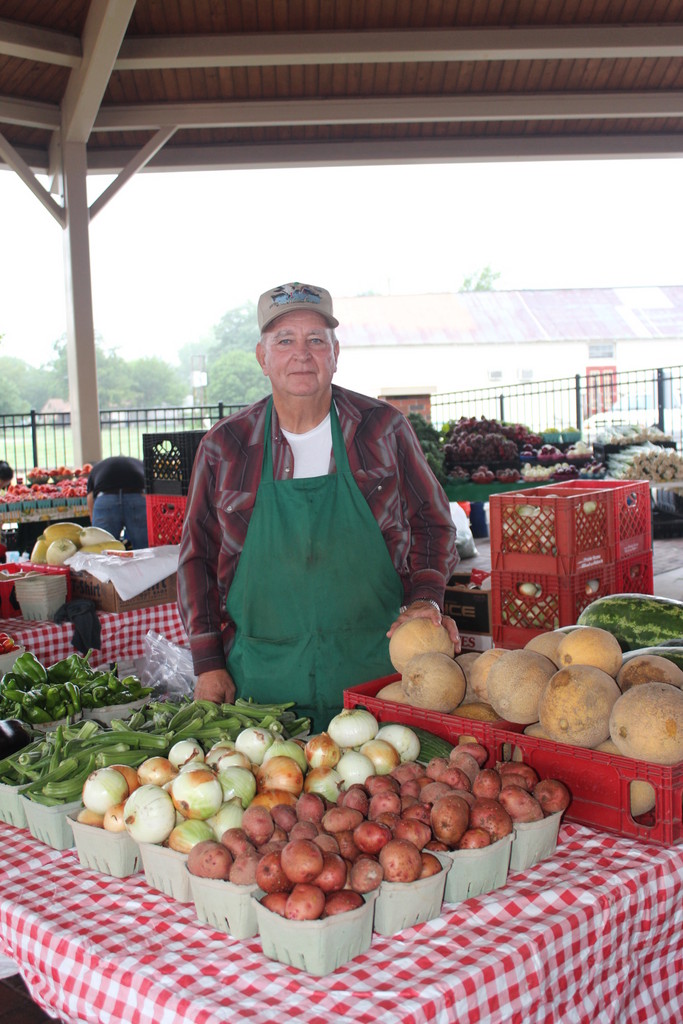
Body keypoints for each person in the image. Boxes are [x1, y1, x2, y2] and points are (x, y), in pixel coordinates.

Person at [177, 281, 460, 731]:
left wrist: (427, 597)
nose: (301, 353)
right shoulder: (225, 446)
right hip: (262, 679)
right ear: (262, 356)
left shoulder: (382, 430)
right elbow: (196, 558)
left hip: (376, 671)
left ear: (335, 352)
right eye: (284, 340)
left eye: (315, 340)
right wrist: (208, 661)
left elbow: (433, 523)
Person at [86, 456, 149, 549]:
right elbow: (150, 490)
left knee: (103, 548)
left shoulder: (97, 468)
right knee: (144, 549)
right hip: (136, 496)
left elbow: (90, 496)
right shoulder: (141, 464)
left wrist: (92, 516)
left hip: (106, 499)